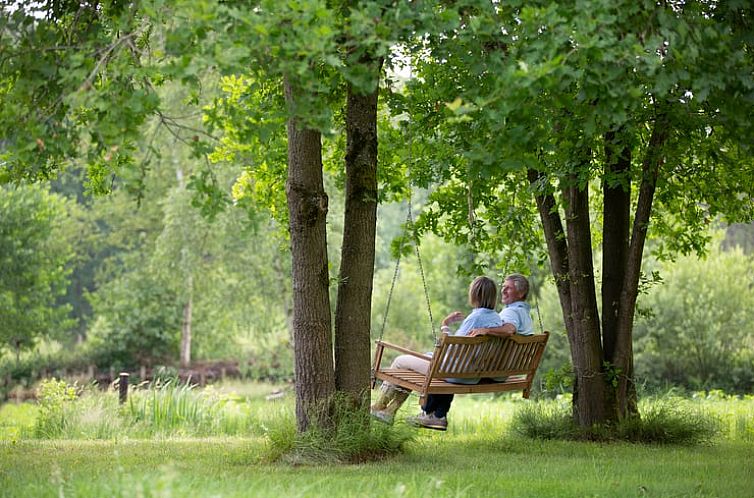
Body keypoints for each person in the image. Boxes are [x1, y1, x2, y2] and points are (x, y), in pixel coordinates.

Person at [370, 276, 502, 427]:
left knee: (400, 362)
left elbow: (451, 348)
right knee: (412, 368)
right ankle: (388, 412)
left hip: (451, 371)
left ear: (475, 294)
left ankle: (380, 406)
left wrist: (445, 326)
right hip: (471, 376)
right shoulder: (497, 319)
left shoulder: (475, 318)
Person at [408, 273, 534, 431]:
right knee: (449, 365)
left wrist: (445, 327)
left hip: (475, 372)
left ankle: (387, 409)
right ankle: (438, 414)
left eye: (508, 288)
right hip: (490, 372)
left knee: (409, 362)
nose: (504, 291)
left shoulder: (509, 314)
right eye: (502, 288)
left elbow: (509, 330)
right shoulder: (509, 316)